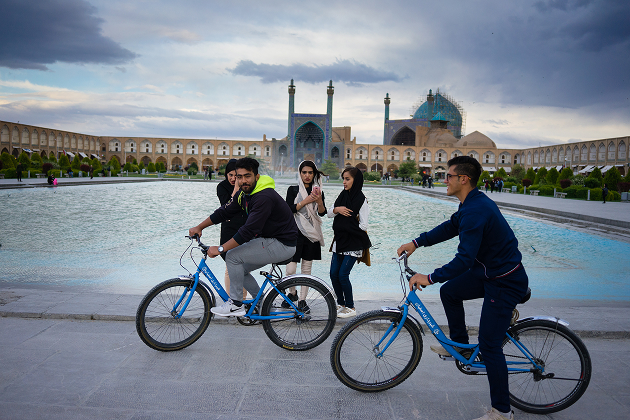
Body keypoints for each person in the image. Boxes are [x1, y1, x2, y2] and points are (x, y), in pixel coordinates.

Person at [397, 156, 528, 420]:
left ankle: (502, 412)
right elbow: (451, 227)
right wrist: (416, 242)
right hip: (489, 273)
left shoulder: (477, 210)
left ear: (463, 179)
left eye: (448, 176)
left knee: (490, 346)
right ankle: (462, 347)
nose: (444, 180)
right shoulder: (470, 205)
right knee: (451, 292)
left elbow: (464, 259)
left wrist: (430, 277)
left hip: (504, 281)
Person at [188, 157, 298, 316]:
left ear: (257, 177)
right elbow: (224, 212)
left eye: (247, 176)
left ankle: (235, 304)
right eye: (239, 177)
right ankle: (262, 302)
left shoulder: (263, 197)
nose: (243, 181)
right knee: (238, 269)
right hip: (270, 239)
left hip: (282, 244)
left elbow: (248, 230)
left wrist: (220, 248)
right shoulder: (244, 193)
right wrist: (200, 226)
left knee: (232, 256)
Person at [282, 160, 327, 311]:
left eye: (310, 173)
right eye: (304, 172)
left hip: (311, 235)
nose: (307, 176)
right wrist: (306, 201)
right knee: (290, 270)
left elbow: (322, 213)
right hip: (294, 233)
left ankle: (302, 300)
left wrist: (319, 201)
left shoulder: (318, 191)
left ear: (314, 174)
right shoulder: (293, 190)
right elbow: (288, 210)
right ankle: (292, 293)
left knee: (306, 270)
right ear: (300, 173)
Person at [328, 167, 371, 319]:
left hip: (353, 243)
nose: (344, 182)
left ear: (356, 180)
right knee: (333, 274)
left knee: (343, 275)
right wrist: (337, 209)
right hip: (339, 242)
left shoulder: (362, 200)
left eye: (348, 179)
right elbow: (328, 214)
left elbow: (364, 225)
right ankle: (341, 304)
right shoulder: (342, 196)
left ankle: (351, 306)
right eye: (343, 179)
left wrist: (347, 227)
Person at [216, 159, 247, 300]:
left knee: (244, 268)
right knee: (230, 267)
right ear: (226, 174)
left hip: (244, 229)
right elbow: (227, 206)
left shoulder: (247, 187)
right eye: (230, 175)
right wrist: (236, 188)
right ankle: (231, 300)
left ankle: (243, 301)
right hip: (229, 231)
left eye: (237, 175)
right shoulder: (222, 187)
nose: (234, 178)